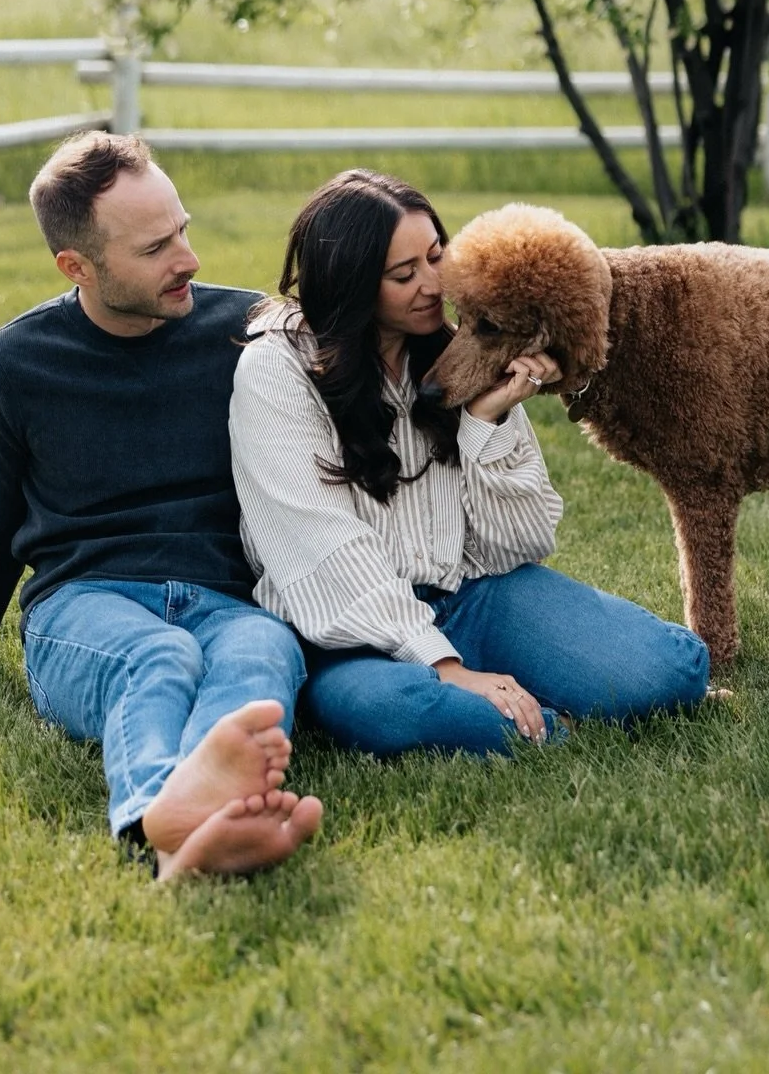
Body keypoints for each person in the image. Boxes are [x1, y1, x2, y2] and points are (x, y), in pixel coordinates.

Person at [0, 130, 322, 880]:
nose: (189, 260)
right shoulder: (4, 371)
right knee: (160, 655)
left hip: (225, 596)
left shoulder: (251, 333)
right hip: (83, 605)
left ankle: (194, 830)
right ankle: (159, 814)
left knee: (262, 649)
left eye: (183, 230)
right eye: (154, 249)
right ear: (76, 266)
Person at [229, 169, 710, 757]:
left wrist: (488, 421)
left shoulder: (464, 349)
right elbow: (324, 552)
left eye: (437, 256)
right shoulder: (276, 370)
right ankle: (546, 722)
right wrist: (445, 664)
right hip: (349, 631)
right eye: (405, 274)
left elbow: (520, 545)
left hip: (473, 597)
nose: (435, 284)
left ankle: (512, 705)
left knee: (671, 674)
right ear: (352, 285)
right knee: (392, 710)